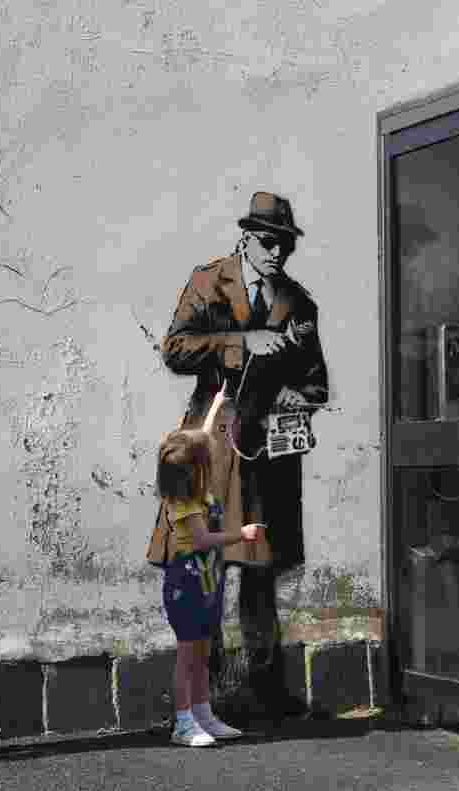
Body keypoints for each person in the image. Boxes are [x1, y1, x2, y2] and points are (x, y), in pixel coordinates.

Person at [162, 191, 329, 718]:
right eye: (267, 242)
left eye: (284, 244)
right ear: (245, 239)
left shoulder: (299, 302)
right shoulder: (209, 280)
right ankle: (204, 695)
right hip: (211, 447)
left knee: (260, 569)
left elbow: (316, 383)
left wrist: (299, 396)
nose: (276, 252)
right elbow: (175, 349)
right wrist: (241, 342)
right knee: (205, 568)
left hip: (267, 453)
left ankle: (266, 689)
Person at [157, 390, 264, 747]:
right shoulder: (183, 504)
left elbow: (204, 442)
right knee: (188, 655)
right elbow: (203, 541)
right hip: (186, 584)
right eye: (204, 462)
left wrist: (217, 406)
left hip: (206, 582)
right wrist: (241, 535)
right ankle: (183, 723)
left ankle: (204, 714)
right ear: (192, 472)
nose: (212, 461)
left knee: (203, 653)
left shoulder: (195, 488)